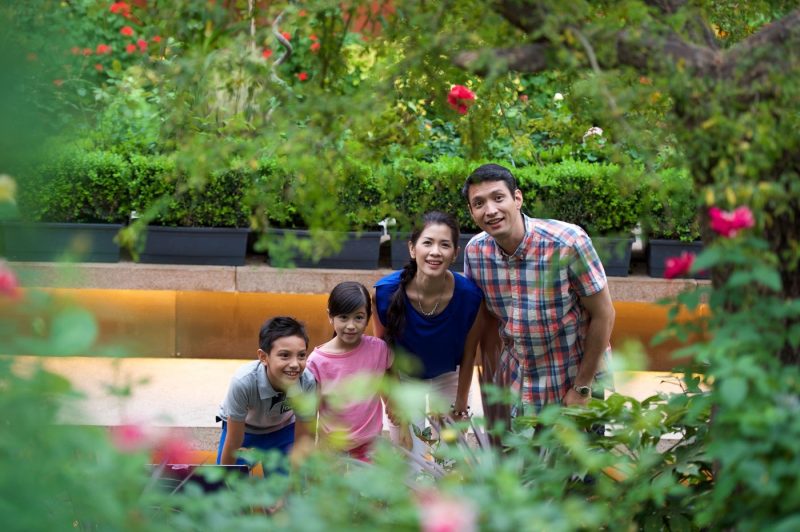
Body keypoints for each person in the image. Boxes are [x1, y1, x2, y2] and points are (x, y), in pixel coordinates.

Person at [461, 163, 615, 419]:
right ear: (471, 211)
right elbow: (487, 324)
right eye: (479, 203)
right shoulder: (476, 253)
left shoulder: (567, 242)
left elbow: (604, 314)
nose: (490, 210)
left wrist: (582, 387)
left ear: (517, 198)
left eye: (498, 198)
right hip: (519, 384)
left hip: (573, 377)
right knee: (523, 460)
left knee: (579, 459)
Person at [373, 211, 484, 458]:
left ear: (455, 253)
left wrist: (461, 403)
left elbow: (469, 354)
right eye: (428, 243)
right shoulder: (385, 293)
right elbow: (381, 353)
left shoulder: (470, 296)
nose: (435, 252)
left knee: (450, 459)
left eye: (445, 245)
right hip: (403, 379)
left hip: (449, 377)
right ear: (413, 249)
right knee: (407, 458)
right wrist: (391, 401)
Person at [307, 282, 392, 462]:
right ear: (330, 316)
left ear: (368, 317)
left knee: (369, 490)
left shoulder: (379, 349)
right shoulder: (317, 360)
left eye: (358, 317)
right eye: (343, 317)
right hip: (331, 448)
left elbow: (390, 385)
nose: (351, 325)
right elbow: (311, 410)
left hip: (371, 447)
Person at [216, 316, 316, 467]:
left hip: (283, 428)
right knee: (234, 478)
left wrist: (296, 483)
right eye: (284, 355)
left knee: (285, 484)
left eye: (301, 355)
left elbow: (303, 440)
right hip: (246, 430)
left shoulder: (307, 382)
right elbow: (234, 440)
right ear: (263, 357)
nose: (295, 364)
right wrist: (225, 479)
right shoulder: (243, 382)